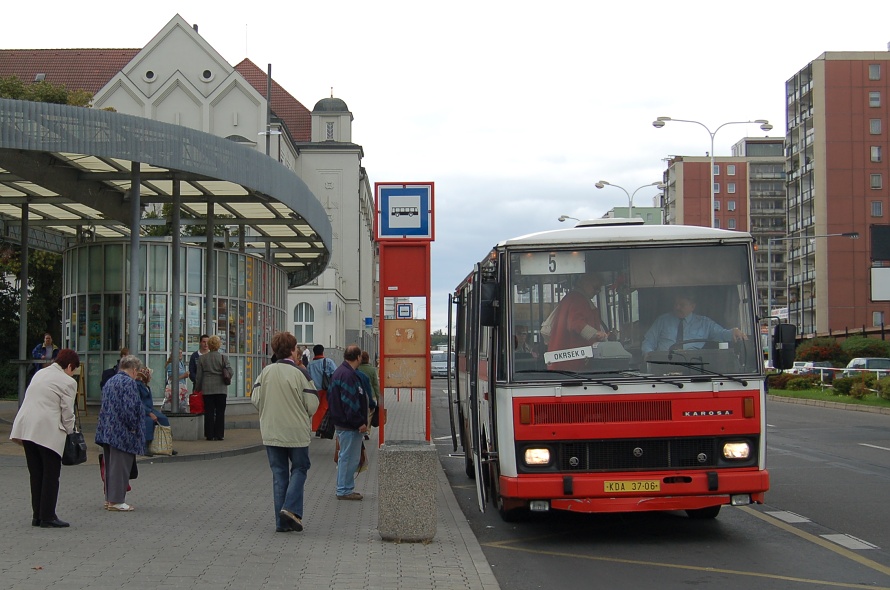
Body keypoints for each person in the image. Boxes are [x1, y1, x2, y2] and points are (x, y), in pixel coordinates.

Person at [251, 332, 319, 533]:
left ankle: (282, 523)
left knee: (279, 474)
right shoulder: (301, 373)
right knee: (300, 467)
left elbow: (255, 399)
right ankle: (290, 509)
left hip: (271, 431)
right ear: (292, 350)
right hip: (296, 432)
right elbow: (312, 404)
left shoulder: (266, 372)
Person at [10, 348, 80, 528]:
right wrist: (70, 432)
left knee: (36, 473)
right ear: (70, 366)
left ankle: (37, 515)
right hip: (47, 431)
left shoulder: (41, 373)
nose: (73, 373)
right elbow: (67, 412)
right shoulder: (68, 382)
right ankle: (48, 516)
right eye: (74, 370)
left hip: (26, 428)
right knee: (51, 474)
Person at [95, 354, 144, 512]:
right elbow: (130, 409)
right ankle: (117, 501)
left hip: (107, 430)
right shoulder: (128, 383)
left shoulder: (111, 381)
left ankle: (110, 499)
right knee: (121, 468)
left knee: (110, 467)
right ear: (134, 370)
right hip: (122, 432)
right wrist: (134, 427)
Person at [642, 292, 747, 355]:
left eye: (681, 305)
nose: (677, 307)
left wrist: (733, 332)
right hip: (662, 367)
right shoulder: (662, 320)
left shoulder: (705, 323)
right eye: (676, 304)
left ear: (692, 306)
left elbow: (721, 334)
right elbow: (648, 341)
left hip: (693, 369)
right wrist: (648, 354)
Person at [328, 344, 369, 501]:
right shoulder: (348, 375)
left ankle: (344, 487)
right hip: (349, 424)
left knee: (347, 456)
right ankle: (344, 489)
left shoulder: (340, 372)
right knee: (348, 458)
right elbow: (349, 402)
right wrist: (359, 422)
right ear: (358, 357)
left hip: (343, 422)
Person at [546, 273, 609, 370]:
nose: (597, 291)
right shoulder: (578, 300)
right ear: (585, 282)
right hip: (571, 365)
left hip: (560, 362)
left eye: (599, 288)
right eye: (596, 287)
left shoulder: (570, 298)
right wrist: (596, 334)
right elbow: (576, 323)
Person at [196, 335, 232, 441]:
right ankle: (219, 434)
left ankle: (209, 434)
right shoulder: (223, 358)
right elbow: (230, 371)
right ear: (218, 345)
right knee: (220, 412)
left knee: (209, 412)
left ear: (209, 345)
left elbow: (199, 376)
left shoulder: (202, 358)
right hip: (221, 388)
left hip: (207, 389)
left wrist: (197, 388)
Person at [135, 367, 172, 456]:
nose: (151, 378)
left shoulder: (145, 386)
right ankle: (145, 447)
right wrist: (149, 413)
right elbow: (138, 402)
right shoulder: (137, 385)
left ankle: (166, 444)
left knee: (163, 419)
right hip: (142, 410)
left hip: (149, 408)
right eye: (149, 376)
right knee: (149, 421)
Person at [308, 344, 337, 433]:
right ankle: (322, 428)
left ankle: (315, 427)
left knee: (316, 408)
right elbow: (335, 373)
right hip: (325, 389)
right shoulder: (328, 361)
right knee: (324, 408)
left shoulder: (310, 364)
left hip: (314, 390)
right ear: (322, 351)